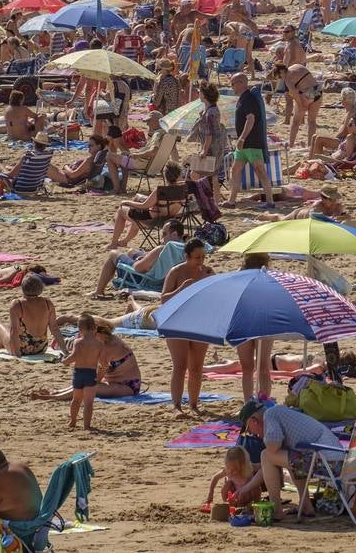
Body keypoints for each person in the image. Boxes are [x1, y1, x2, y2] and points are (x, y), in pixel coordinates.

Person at [239, 401, 341, 520]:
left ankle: (276, 510)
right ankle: (306, 506)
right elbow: (268, 466)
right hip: (336, 461)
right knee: (290, 457)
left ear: (254, 421)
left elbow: (273, 447)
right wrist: (245, 489)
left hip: (327, 462)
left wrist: (264, 437)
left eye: (248, 428)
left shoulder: (269, 415)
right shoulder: (279, 412)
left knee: (266, 454)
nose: (252, 433)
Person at [163, 239, 214, 414]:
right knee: (180, 366)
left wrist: (210, 282)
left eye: (203, 257)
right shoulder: (176, 272)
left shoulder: (207, 272)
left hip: (199, 322)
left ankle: (193, 404)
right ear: (187, 256)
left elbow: (215, 299)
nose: (200, 261)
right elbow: (163, 299)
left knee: (196, 367)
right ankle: (177, 406)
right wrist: (182, 288)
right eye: (196, 257)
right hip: (177, 322)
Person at [0, 274, 62, 357]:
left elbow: (14, 331)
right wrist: (64, 350)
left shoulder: (17, 304)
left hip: (22, 349)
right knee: (6, 326)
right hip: (41, 348)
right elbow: (54, 328)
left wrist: (16, 354)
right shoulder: (47, 303)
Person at [103, 165, 186, 253]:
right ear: (178, 176)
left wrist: (127, 202)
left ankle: (114, 243)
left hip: (152, 221)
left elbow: (144, 206)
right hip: (170, 220)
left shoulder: (160, 190)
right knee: (138, 203)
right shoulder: (183, 189)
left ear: (165, 176)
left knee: (121, 210)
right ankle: (125, 241)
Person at [227, 72, 275, 207]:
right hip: (244, 144)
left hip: (251, 142)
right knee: (235, 170)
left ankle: (270, 201)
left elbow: (251, 119)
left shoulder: (248, 99)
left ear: (241, 83)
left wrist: (242, 138)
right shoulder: (243, 99)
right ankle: (231, 200)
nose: (232, 87)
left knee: (260, 170)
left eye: (233, 84)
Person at [63, 314, 105, 431]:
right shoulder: (99, 344)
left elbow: (74, 356)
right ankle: (87, 426)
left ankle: (73, 421)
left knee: (76, 399)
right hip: (91, 374)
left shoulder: (78, 342)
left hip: (78, 373)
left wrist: (65, 361)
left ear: (80, 330)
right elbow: (104, 364)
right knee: (88, 403)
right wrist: (99, 377)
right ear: (95, 328)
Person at [204, 446, 257, 511]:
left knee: (255, 485)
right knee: (228, 483)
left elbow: (262, 468)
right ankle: (228, 504)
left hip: (247, 495)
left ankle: (255, 504)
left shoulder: (249, 468)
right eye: (229, 468)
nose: (231, 472)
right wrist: (210, 493)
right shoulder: (227, 471)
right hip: (233, 495)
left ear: (243, 466)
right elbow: (215, 478)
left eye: (234, 470)